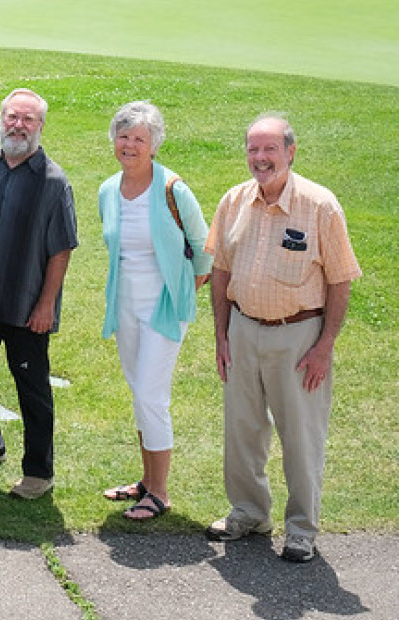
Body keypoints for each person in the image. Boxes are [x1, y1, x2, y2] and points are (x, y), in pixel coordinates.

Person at [203, 115, 361, 563]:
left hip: (299, 337)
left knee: (301, 435)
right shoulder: (233, 201)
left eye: (270, 149)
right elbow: (222, 272)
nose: (260, 158)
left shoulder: (320, 206)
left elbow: (341, 281)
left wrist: (324, 346)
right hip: (243, 330)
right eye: (253, 149)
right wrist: (221, 334)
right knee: (242, 429)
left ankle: (301, 530)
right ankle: (249, 512)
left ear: (291, 152)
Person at [97, 101, 213, 521]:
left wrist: (184, 293)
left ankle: (159, 493)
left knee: (150, 393)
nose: (129, 145)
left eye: (139, 139)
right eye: (123, 137)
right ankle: (145, 481)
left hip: (165, 308)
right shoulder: (109, 189)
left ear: (154, 146)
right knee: (138, 392)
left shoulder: (173, 189)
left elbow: (204, 249)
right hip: (124, 305)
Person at [0, 88, 77, 500]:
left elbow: (61, 248)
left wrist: (47, 303)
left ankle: (38, 471)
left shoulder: (53, 181)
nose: (18, 125)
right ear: (2, 119)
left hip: (27, 303)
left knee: (31, 386)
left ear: (40, 127)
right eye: (13, 117)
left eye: (28, 120)